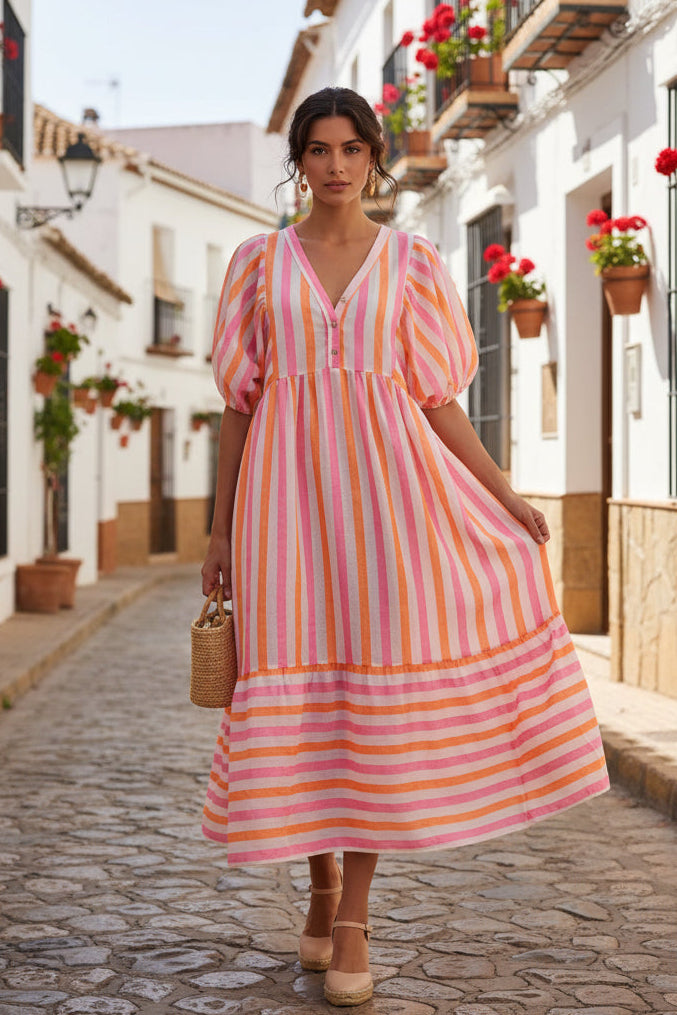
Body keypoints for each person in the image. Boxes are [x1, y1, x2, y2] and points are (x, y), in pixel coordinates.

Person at [200, 86, 609, 1007]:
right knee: (306, 692)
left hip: (390, 507)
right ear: (297, 161)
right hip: (282, 512)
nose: (336, 166)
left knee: (371, 701)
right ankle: (315, 879)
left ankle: (353, 915)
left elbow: (435, 399)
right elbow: (238, 404)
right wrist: (220, 530)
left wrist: (502, 491)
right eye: (318, 150)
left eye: (351, 149)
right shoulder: (257, 264)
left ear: (374, 157)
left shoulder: (413, 262)